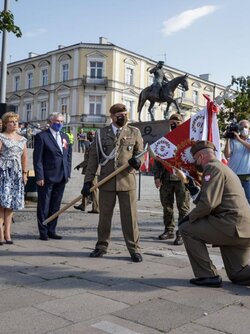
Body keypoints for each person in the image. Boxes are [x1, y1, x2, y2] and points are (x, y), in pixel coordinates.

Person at [179, 140, 250, 295]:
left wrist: (189, 218)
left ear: (201, 157)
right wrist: (193, 189)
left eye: (196, 160)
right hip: (244, 229)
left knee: (186, 228)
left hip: (231, 226)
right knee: (237, 273)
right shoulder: (224, 168)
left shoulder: (212, 168)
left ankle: (207, 275)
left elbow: (208, 203)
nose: (196, 164)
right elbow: (216, 198)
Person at [82, 103, 144, 262]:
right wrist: (88, 181)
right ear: (112, 116)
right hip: (106, 181)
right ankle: (101, 246)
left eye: (125, 114)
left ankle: (134, 249)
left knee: (130, 218)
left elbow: (140, 153)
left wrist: (138, 162)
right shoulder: (101, 133)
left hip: (127, 180)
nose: (123, 117)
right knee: (104, 217)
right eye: (120, 115)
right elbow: (93, 159)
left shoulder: (134, 132)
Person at [0, 112, 28, 245]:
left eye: (16, 121)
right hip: (3, 172)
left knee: (10, 204)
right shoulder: (0, 137)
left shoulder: (22, 139)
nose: (14, 124)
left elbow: (24, 157)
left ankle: (8, 232)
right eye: (11, 122)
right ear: (5, 124)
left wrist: (25, 173)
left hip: (15, 173)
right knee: (0, 203)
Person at [33, 112, 72, 241]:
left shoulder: (65, 136)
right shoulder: (42, 136)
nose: (59, 124)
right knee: (44, 205)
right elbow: (37, 159)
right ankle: (43, 231)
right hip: (47, 176)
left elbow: (68, 156)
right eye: (57, 121)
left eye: (61, 121)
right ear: (50, 122)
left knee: (56, 205)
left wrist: (68, 173)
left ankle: (52, 229)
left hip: (62, 176)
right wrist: (39, 176)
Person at [153, 113, 190, 245]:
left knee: (183, 208)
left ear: (182, 123)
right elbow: (157, 160)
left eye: (177, 122)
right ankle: (169, 230)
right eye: (172, 122)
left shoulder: (187, 139)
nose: (174, 124)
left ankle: (182, 233)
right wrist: (157, 177)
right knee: (167, 207)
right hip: (166, 178)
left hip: (182, 180)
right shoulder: (164, 139)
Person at [224, 119, 250, 213]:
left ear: (249, 129)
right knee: (233, 199)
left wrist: (239, 139)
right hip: (234, 174)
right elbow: (227, 155)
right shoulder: (233, 141)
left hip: (248, 174)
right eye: (241, 127)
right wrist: (228, 139)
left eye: (246, 127)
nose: (243, 129)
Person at [74, 131, 99, 213]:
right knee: (86, 187)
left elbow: (89, 160)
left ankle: (96, 207)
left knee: (93, 189)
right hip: (89, 169)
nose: (89, 136)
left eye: (91, 135)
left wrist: (80, 165)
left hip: (93, 170)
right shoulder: (90, 144)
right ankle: (83, 205)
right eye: (88, 135)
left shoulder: (94, 145)